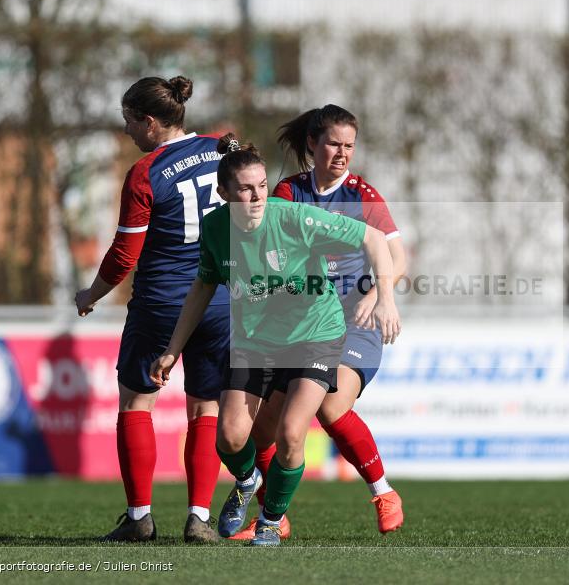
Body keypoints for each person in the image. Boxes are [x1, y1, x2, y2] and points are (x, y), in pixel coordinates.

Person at [149, 135, 400, 547]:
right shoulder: (215, 229)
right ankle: (247, 481)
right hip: (255, 341)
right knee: (229, 437)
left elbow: (374, 239)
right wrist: (172, 349)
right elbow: (202, 288)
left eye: (262, 185)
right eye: (246, 188)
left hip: (314, 336)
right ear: (223, 193)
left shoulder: (293, 217)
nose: (257, 196)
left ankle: (270, 521)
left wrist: (385, 299)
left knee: (290, 435)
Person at [227, 105, 406, 541]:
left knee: (329, 406)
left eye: (349, 146)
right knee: (263, 429)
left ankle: (383, 493)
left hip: (354, 321)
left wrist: (377, 296)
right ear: (312, 144)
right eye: (333, 144)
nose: (342, 154)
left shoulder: (363, 196)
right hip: (301, 323)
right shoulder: (289, 192)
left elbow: (396, 258)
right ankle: (275, 514)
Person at [74, 76, 228, 543]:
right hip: (220, 300)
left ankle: (140, 517)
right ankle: (199, 517)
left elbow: (125, 255)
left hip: (164, 302)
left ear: (150, 121)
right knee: (205, 409)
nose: (126, 132)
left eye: (128, 121)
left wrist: (91, 295)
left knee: (137, 402)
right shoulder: (223, 148)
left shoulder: (145, 173)